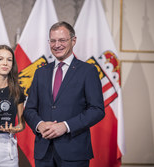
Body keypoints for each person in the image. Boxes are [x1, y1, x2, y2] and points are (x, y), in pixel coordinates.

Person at [24, 21, 105, 167]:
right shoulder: (40, 73)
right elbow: (29, 109)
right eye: (53, 41)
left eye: (62, 40)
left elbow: (97, 110)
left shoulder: (88, 71)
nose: (57, 45)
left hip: (74, 152)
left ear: (73, 41)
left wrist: (66, 126)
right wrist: (39, 124)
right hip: (44, 153)